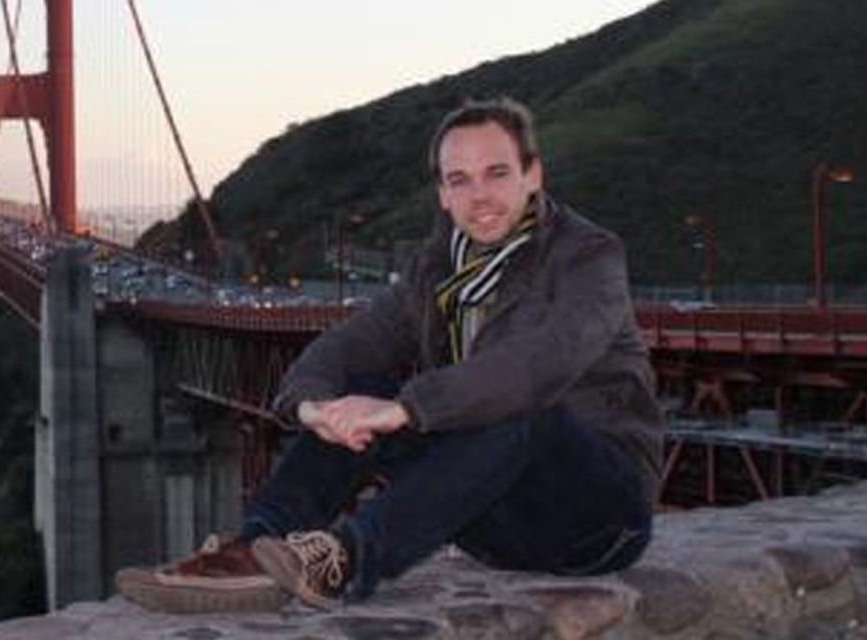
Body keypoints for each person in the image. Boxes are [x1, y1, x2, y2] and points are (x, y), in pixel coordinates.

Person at [138, 96, 664, 610]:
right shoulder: (436, 269)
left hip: (599, 523)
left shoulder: (588, 256)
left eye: (497, 173)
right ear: (443, 194)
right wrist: (312, 405)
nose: (480, 195)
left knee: (528, 413)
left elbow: (536, 365)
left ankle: (346, 559)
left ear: (533, 175)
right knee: (360, 390)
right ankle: (254, 551)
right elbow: (351, 342)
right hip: (493, 522)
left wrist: (408, 408)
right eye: (460, 180)